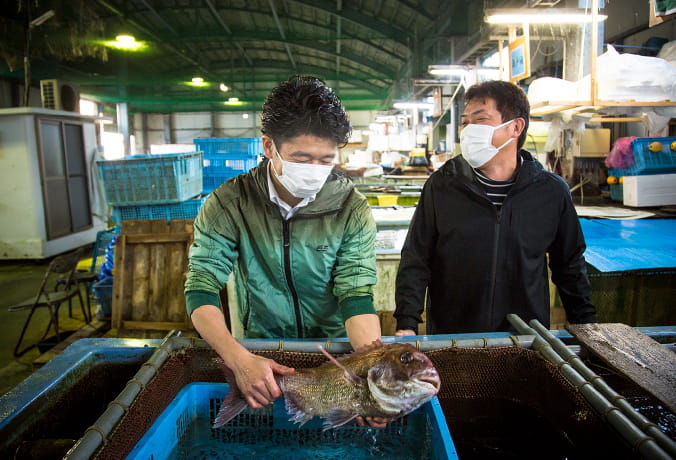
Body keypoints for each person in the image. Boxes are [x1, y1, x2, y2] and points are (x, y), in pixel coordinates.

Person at [185, 76, 386, 427]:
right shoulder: (230, 203)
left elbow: (356, 294)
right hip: (262, 354)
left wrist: (370, 376)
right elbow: (201, 287)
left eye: (326, 159)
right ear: (268, 146)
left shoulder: (351, 208)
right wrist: (237, 358)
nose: (314, 170)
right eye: (301, 158)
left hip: (335, 356)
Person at [394, 80, 597, 336]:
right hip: (452, 336)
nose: (467, 130)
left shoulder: (551, 192)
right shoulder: (443, 185)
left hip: (526, 338)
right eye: (465, 122)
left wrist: (585, 324)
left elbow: (569, 264)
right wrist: (407, 322)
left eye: (480, 120)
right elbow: (416, 257)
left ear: (515, 127)